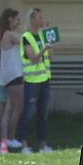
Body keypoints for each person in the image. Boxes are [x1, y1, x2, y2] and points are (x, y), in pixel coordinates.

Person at [17, 8, 53, 154]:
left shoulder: (42, 36)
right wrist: (45, 48)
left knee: (42, 113)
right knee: (29, 112)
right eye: (39, 18)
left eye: (42, 17)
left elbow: (50, 56)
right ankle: (24, 145)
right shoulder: (26, 37)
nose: (42, 20)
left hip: (44, 79)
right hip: (32, 81)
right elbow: (33, 58)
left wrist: (49, 44)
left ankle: (42, 145)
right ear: (31, 20)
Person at [0, 8, 24, 153]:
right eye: (17, 19)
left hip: (8, 76)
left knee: (9, 107)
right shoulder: (9, 34)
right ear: (10, 20)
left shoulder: (4, 34)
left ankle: (4, 142)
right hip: (14, 76)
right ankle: (11, 138)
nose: (18, 22)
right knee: (17, 107)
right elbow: (24, 42)